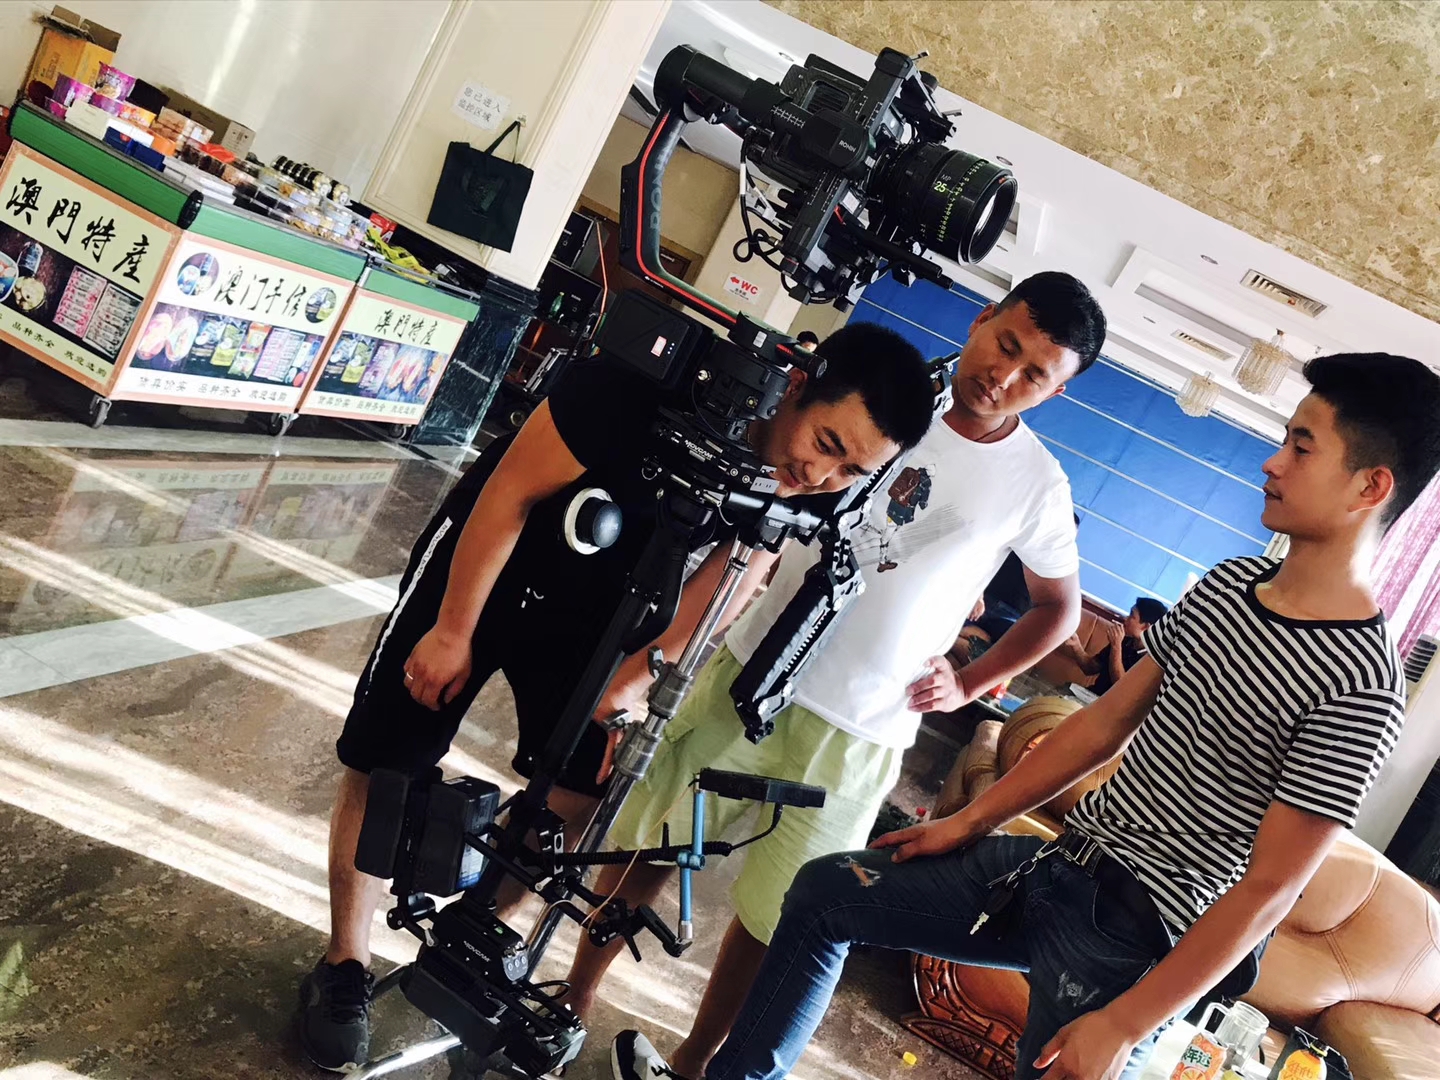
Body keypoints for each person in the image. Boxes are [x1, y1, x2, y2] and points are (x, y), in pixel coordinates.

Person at [618, 351, 1440, 1080]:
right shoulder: (1229, 585)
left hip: (1138, 943)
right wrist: (967, 821)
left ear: (1370, 487)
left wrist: (1127, 1023)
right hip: (1057, 870)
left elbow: (1269, 888)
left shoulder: (1361, 684)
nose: (1272, 461)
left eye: (1301, 446)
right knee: (825, 893)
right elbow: (1103, 724)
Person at [298, 323, 938, 1072]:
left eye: (851, 468)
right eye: (826, 444)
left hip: (600, 616)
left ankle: (474, 936)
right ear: (797, 386)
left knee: (580, 785)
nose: (822, 473)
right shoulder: (637, 385)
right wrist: (452, 629)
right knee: (389, 758)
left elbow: (733, 576)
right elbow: (510, 492)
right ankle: (345, 964)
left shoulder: (814, 487)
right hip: (493, 561)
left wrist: (626, 688)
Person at [568, 271, 1109, 1080]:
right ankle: (574, 995)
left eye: (1035, 374)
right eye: (1005, 345)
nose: (1004, 376)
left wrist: (968, 685)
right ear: (982, 318)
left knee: (778, 917)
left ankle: (693, 1063)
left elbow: (1057, 610)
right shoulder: (886, 399)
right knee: (651, 844)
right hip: (750, 670)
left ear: (1056, 393)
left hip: (861, 732)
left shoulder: (1037, 485)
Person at [1059, 596, 1169, 694]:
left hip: (1111, 706)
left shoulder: (1150, 660)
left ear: (1146, 627)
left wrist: (1116, 646)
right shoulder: (1125, 640)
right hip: (1092, 695)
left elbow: (1121, 688)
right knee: (1061, 690)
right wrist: (1076, 646)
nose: (1125, 618)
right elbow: (1090, 668)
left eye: (1132, 615)